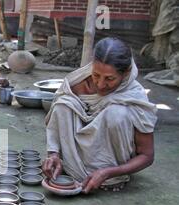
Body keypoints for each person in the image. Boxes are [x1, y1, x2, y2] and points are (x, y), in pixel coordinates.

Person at [42, 37, 158, 193]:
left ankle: (106, 175)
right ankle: (70, 167)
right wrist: (53, 154)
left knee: (116, 114)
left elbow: (147, 155)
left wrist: (109, 172)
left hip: (111, 168)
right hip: (74, 160)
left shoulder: (134, 97)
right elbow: (58, 122)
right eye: (96, 75)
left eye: (110, 79)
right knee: (63, 104)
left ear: (126, 73)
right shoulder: (76, 83)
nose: (100, 84)